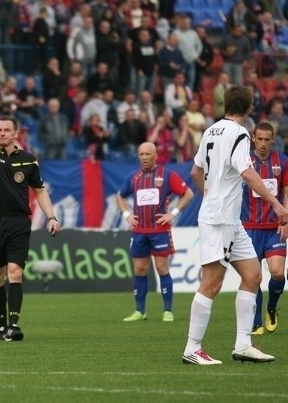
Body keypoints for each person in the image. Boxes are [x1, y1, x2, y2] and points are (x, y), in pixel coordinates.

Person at [182, 85, 288, 365]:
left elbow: (195, 171)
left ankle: (243, 343)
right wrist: (276, 204)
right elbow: (248, 172)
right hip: (219, 219)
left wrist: (210, 195)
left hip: (229, 218)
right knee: (212, 283)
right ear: (249, 108)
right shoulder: (240, 133)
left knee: (253, 275)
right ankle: (192, 348)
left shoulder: (211, 130)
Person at [0, 76, 61, 342]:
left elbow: (40, 191)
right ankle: (1, 326)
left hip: (20, 222)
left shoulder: (28, 160)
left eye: (5, 130)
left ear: (15, 133)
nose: (0, 134)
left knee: (15, 272)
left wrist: (52, 216)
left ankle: (14, 326)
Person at [116, 142, 194, 323]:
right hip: (139, 231)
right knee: (140, 269)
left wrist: (173, 213)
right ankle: (139, 311)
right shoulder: (133, 177)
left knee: (161, 268)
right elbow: (120, 196)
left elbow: (188, 193)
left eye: (147, 154)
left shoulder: (166, 175)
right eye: (141, 154)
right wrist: (127, 213)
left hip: (159, 230)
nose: (144, 157)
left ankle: (167, 311)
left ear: (156, 155)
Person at [240, 122, 288, 335]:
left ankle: (271, 308)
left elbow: (286, 192)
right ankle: (257, 320)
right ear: (253, 138)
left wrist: (285, 220)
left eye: (267, 139)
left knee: (277, 273)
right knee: (254, 276)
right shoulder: (243, 161)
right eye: (259, 139)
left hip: (274, 228)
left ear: (273, 139)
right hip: (249, 227)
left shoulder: (282, 161)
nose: (263, 143)